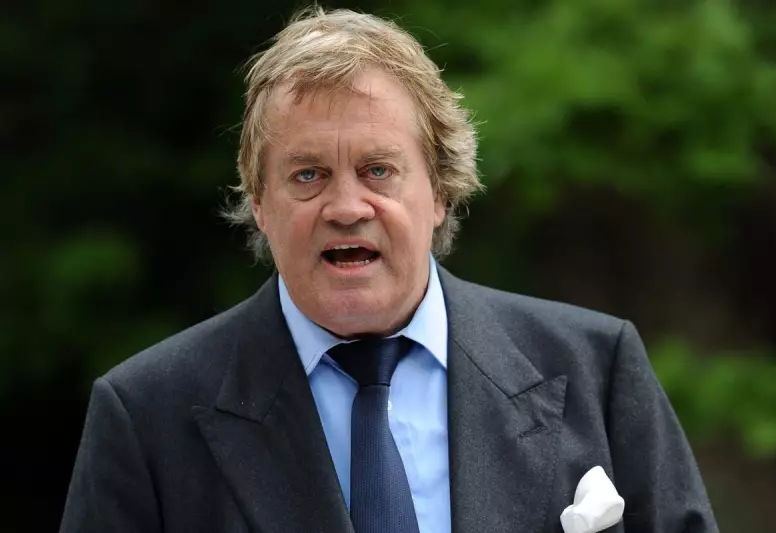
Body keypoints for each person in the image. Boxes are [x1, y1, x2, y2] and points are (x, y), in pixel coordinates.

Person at [60, 7, 719, 533]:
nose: (347, 207)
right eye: (308, 175)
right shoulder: (145, 415)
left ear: (440, 191)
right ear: (259, 201)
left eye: (378, 170)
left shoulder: (595, 369)